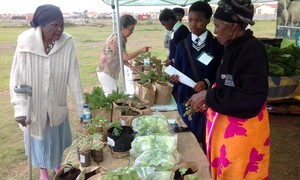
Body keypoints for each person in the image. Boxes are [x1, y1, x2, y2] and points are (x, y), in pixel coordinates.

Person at [186, 0, 270, 179]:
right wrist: (210, 101)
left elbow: (251, 97)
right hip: (227, 134)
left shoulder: (252, 51)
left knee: (239, 174)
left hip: (243, 138)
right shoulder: (232, 47)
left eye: (217, 25)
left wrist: (209, 96)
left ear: (232, 27)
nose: (214, 31)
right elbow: (227, 86)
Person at [9, 4, 84, 180]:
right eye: (54, 25)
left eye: (62, 24)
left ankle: (57, 165)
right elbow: (16, 77)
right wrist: (19, 109)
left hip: (56, 102)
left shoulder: (67, 42)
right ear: (41, 25)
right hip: (34, 105)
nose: (59, 29)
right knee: (40, 142)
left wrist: (81, 108)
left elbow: (74, 77)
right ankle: (43, 173)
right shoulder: (25, 42)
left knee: (56, 140)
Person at [170, 1, 223, 148]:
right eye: (190, 20)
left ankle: (205, 161)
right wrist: (174, 78)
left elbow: (220, 71)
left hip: (207, 98)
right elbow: (177, 69)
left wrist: (206, 82)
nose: (193, 24)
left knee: (205, 135)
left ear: (208, 20)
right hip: (185, 97)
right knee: (187, 135)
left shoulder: (216, 45)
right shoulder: (181, 45)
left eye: (198, 20)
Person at [96, 14, 150, 96]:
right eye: (130, 29)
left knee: (113, 95)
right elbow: (126, 57)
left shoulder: (120, 38)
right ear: (122, 28)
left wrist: (130, 66)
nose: (132, 32)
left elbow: (120, 57)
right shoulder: (117, 39)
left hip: (108, 72)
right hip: (106, 72)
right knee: (112, 97)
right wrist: (141, 50)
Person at [159, 8, 190, 103]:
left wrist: (172, 61)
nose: (165, 27)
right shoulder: (174, 30)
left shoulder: (181, 31)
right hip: (175, 66)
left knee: (178, 90)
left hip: (181, 67)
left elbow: (183, 53)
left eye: (165, 24)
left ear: (170, 20)